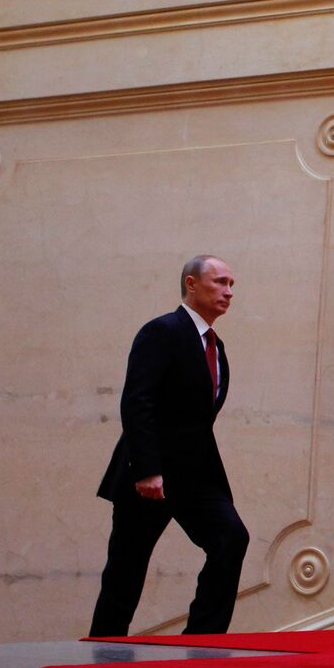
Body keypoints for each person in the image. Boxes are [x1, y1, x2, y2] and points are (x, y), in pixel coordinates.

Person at [90, 254, 249, 637]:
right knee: (126, 572)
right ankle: (98, 656)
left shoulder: (216, 346)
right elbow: (137, 401)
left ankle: (202, 643)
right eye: (220, 282)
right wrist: (147, 469)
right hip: (149, 476)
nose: (228, 292)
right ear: (191, 284)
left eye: (232, 285)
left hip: (196, 477)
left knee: (231, 538)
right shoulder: (161, 331)